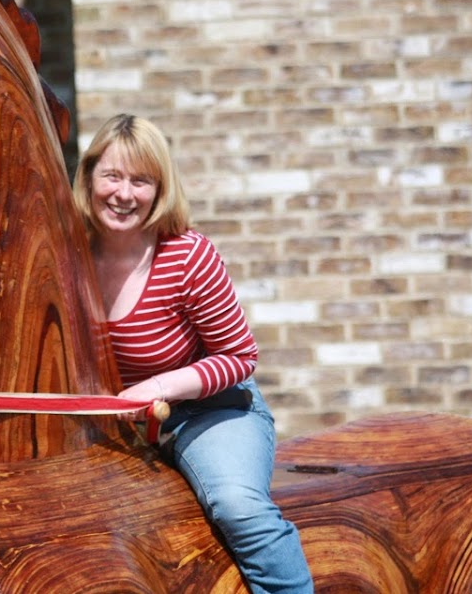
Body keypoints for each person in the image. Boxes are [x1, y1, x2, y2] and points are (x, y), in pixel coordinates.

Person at [72, 113, 313, 593]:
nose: (124, 194)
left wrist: (157, 387)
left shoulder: (187, 254)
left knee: (237, 506)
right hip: (114, 426)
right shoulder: (66, 252)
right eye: (113, 176)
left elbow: (240, 356)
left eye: (141, 181)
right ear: (89, 176)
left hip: (211, 413)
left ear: (160, 190)